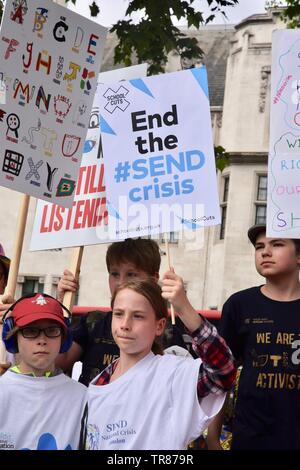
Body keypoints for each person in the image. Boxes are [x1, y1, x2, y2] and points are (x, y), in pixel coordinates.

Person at [81, 275, 236, 450]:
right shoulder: (99, 382)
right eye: (118, 314)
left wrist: (183, 308)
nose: (125, 324)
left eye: (138, 316)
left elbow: (224, 371)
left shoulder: (172, 374)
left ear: (159, 326)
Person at [207, 223, 300, 450]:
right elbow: (222, 375)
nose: (265, 252)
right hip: (250, 439)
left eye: (277, 244)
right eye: (259, 246)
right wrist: (212, 437)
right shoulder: (240, 305)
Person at [56, 238, 191, 384]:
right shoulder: (92, 323)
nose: (120, 282)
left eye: (131, 274)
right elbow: (56, 361)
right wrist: (58, 306)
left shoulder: (172, 334)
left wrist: (184, 306)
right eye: (114, 274)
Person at [0, 293, 86, 450]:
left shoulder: (83, 396)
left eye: (52, 330)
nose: (42, 340)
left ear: (64, 339)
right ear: (13, 337)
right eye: (31, 331)